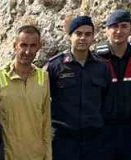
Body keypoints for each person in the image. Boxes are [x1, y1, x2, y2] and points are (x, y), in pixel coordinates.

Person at [47, 16, 111, 160]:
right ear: (70, 36)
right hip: (64, 142)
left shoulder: (102, 66)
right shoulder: (55, 66)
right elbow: (44, 101)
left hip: (94, 142)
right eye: (78, 33)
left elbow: (107, 101)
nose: (83, 38)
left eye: (88, 34)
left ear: (93, 37)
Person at [0, 25, 53, 160]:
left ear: (39, 47)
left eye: (33, 46)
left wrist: (48, 155)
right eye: (23, 45)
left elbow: (46, 122)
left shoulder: (43, 78)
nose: (27, 51)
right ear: (14, 45)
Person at [94, 10, 131, 160]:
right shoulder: (97, 58)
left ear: (130, 29)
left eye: (124, 26)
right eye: (114, 26)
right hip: (103, 131)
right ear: (107, 30)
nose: (119, 31)